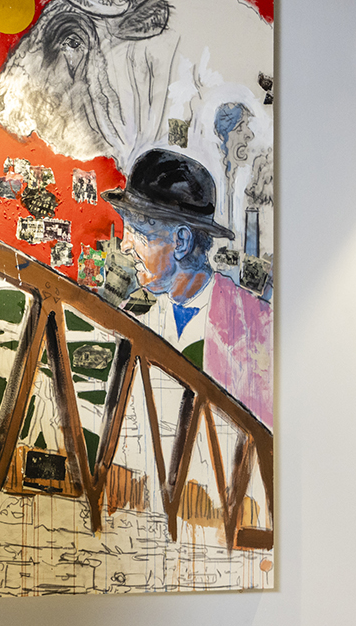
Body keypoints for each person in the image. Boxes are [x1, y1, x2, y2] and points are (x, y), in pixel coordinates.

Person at [106, 148, 273, 426]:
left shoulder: (254, 324)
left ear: (181, 241)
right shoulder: (133, 312)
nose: (125, 245)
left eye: (138, 233)